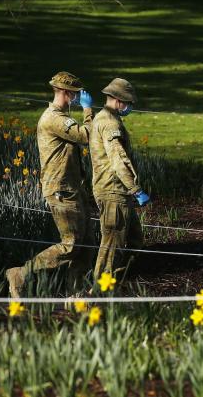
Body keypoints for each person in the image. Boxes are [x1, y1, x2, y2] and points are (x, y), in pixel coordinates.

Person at [6, 71, 95, 297]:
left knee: (87, 244)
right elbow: (86, 136)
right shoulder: (54, 119)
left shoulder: (60, 116)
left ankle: (76, 291)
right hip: (61, 189)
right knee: (71, 244)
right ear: (66, 93)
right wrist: (88, 110)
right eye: (75, 95)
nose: (77, 98)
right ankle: (21, 274)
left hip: (72, 186)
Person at [89, 78, 150, 281]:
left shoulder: (104, 118)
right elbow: (118, 159)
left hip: (116, 189)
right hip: (112, 189)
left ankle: (118, 281)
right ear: (117, 100)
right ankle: (99, 291)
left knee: (134, 239)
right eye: (128, 103)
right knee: (112, 245)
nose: (130, 106)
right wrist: (135, 189)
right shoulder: (110, 123)